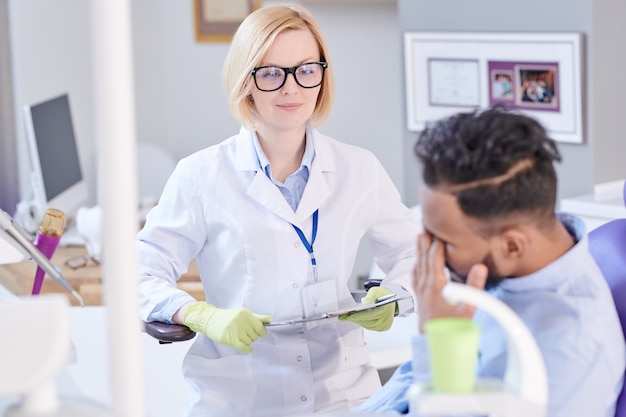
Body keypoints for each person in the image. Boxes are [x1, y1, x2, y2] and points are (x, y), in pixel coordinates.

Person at [136, 4, 419, 417]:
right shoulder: (200, 175)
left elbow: (418, 255)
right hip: (241, 398)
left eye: (306, 69)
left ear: (322, 75)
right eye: (270, 73)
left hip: (344, 396)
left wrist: (395, 296)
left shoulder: (360, 169)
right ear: (245, 82)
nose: (292, 89)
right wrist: (197, 314)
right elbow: (139, 272)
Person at [357, 106, 626, 416]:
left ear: (512, 245)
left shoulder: (569, 351)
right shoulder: (505, 270)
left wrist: (438, 343)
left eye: (445, 242)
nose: (431, 254)